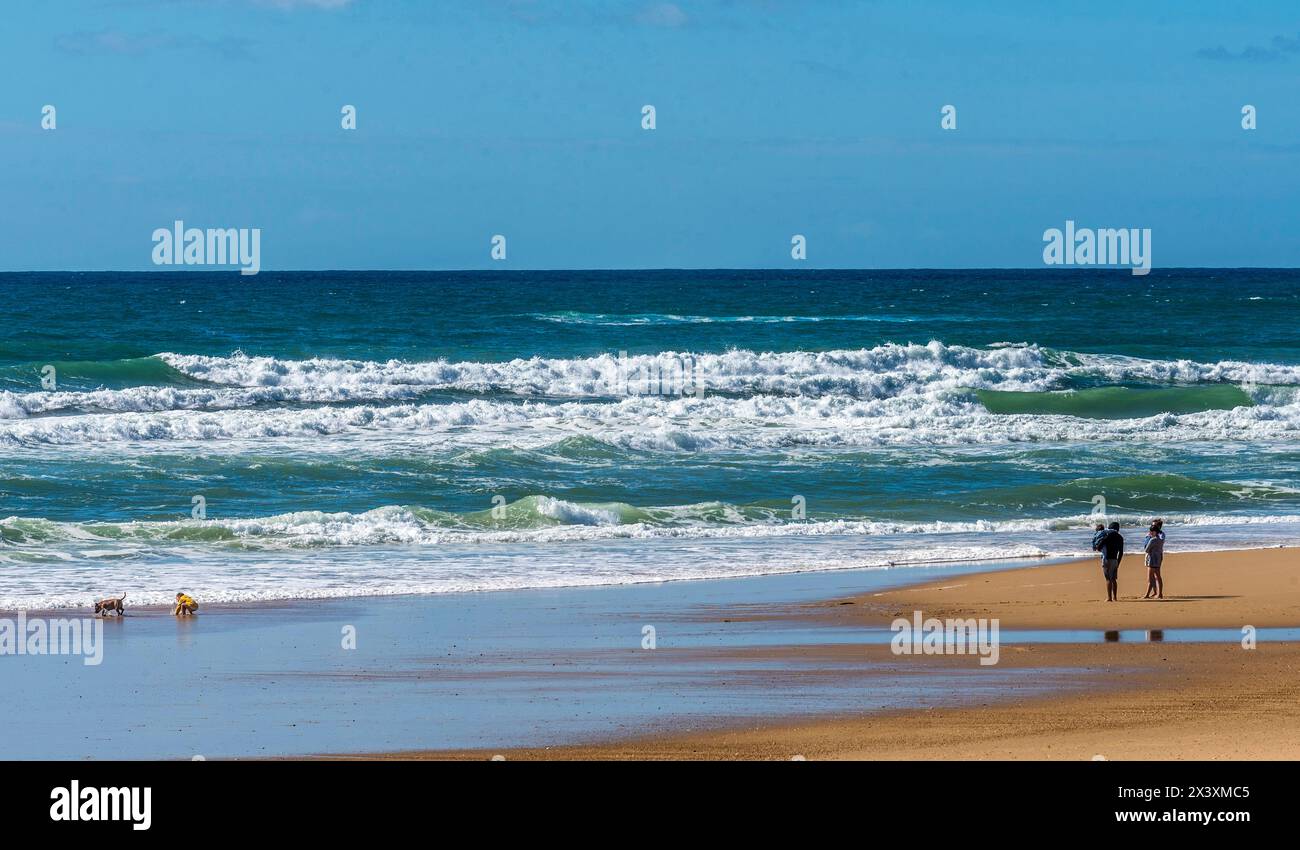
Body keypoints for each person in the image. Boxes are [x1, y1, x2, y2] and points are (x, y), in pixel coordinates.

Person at [1097, 521, 1124, 602]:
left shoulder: (1107, 535)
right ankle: (1115, 597)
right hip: (1115, 560)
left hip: (1106, 559)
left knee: (1108, 579)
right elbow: (1121, 552)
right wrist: (1118, 563)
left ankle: (1109, 598)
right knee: (1113, 579)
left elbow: (1099, 546)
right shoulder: (1120, 537)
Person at [1143, 518, 1166, 599]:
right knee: (1155, 575)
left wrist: (1150, 537)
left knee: (1153, 576)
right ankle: (1156, 592)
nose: (1152, 527)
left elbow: (1147, 548)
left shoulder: (1160, 535)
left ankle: (1155, 593)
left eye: (1154, 525)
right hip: (1154, 555)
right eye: (1152, 525)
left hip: (1155, 555)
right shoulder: (1153, 535)